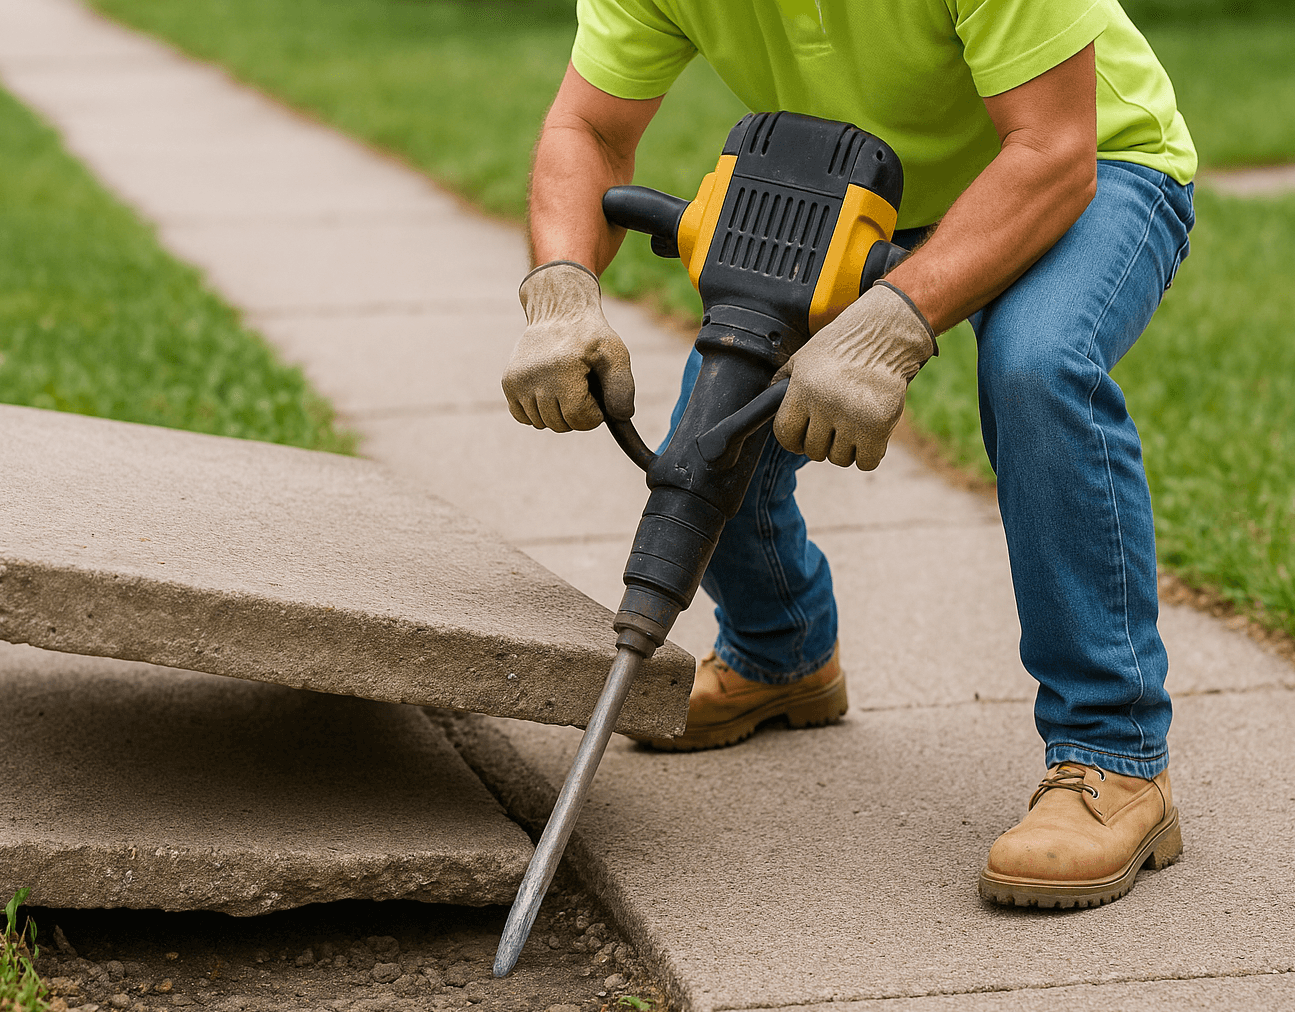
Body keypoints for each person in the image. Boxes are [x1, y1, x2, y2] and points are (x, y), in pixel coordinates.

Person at [501, 0, 1196, 907]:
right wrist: (561, 286)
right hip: (863, 193)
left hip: (1094, 164)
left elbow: (1051, 151)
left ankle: (1116, 756)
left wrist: (893, 323)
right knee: (717, 423)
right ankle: (781, 653)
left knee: (1036, 367)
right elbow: (588, 126)